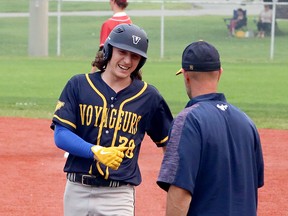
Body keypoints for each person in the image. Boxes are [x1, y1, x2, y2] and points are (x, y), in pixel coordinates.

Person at [51, 23, 173, 216]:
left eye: (135, 56)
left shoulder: (148, 96)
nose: (127, 60)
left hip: (119, 196)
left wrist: (176, 185)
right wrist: (95, 150)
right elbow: (61, 135)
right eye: (122, 52)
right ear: (108, 50)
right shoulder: (79, 84)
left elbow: (169, 143)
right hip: (77, 190)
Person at [157, 40, 264, 216]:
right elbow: (253, 184)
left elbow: (180, 192)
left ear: (186, 76)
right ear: (219, 73)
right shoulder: (247, 122)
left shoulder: (188, 120)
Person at [91, 0, 132, 72]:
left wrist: (92, 71)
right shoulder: (129, 22)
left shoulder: (108, 24)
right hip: (126, 67)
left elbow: (102, 50)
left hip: (110, 68)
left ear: (113, 1)